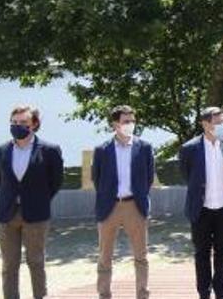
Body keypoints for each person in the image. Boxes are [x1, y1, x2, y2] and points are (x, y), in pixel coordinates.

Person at [0, 104, 63, 299]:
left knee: (36, 262)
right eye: (14, 122)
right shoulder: (0, 150)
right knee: (9, 265)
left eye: (23, 122)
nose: (17, 126)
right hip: (6, 215)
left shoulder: (50, 150)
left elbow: (55, 182)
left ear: (34, 124)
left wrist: (38, 200)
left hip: (36, 215)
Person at [92, 105, 155, 299]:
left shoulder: (144, 147)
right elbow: (97, 178)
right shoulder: (102, 150)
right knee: (105, 257)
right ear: (115, 124)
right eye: (126, 121)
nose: (130, 124)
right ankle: (104, 294)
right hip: (109, 207)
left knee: (141, 257)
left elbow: (149, 177)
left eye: (132, 121)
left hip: (134, 206)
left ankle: (142, 294)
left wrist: (139, 196)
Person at [180, 106, 223, 299]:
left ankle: (221, 292)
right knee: (201, 254)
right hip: (201, 209)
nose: (222, 126)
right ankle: (204, 293)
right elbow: (186, 175)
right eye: (217, 122)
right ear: (205, 124)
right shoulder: (189, 148)